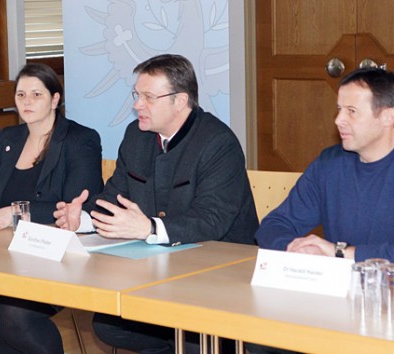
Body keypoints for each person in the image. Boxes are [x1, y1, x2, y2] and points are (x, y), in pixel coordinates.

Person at [54, 54, 258, 353]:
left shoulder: (217, 143)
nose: (137, 105)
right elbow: (115, 196)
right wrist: (82, 219)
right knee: (110, 326)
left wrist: (149, 227)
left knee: (190, 339)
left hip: (218, 271)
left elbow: (212, 219)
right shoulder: (136, 136)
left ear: (180, 101)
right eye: (137, 95)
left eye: (149, 97)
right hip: (159, 269)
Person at [0, 63, 103, 354]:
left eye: (36, 95)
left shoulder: (80, 140)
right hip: (6, 251)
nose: (26, 102)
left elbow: (80, 203)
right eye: (20, 95)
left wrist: (16, 213)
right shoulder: (8, 138)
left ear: (55, 100)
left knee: (14, 315)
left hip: (56, 253)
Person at [249, 68, 394, 354]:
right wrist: (297, 247)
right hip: (337, 299)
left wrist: (337, 252)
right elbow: (274, 224)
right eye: (339, 109)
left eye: (352, 111)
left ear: (388, 116)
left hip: (384, 305)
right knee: (261, 340)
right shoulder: (330, 163)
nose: (338, 120)